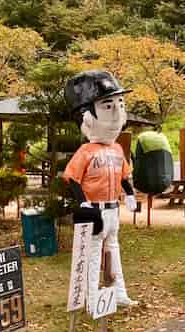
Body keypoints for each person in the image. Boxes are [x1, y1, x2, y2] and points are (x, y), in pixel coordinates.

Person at [63, 70, 138, 306]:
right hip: (95, 210)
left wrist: (129, 193)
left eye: (120, 104)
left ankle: (119, 292)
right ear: (87, 117)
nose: (117, 113)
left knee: (113, 251)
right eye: (108, 106)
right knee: (93, 254)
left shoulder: (117, 149)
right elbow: (72, 178)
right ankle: (92, 296)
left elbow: (123, 174)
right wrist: (83, 203)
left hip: (112, 209)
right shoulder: (86, 151)